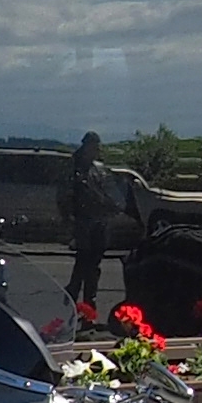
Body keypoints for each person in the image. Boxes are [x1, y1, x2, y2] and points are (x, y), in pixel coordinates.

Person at [64, 133, 119, 311]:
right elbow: (65, 196)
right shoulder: (74, 169)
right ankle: (74, 300)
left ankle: (88, 303)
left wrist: (112, 206)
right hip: (83, 222)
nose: (96, 150)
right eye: (93, 146)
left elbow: (108, 193)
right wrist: (69, 220)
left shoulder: (98, 169)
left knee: (93, 266)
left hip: (99, 222)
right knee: (82, 264)